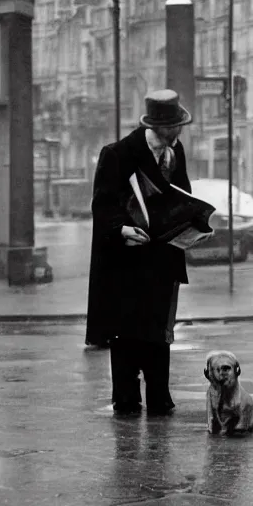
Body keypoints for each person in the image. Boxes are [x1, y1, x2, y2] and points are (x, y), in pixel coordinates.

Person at [84, 89, 194, 416]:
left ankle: (160, 397)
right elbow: (103, 204)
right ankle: (127, 398)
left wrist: (194, 225)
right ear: (159, 126)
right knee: (127, 332)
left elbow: (182, 196)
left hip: (164, 258)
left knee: (160, 332)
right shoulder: (118, 154)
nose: (179, 131)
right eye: (175, 126)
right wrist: (120, 230)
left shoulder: (177, 152)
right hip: (128, 260)